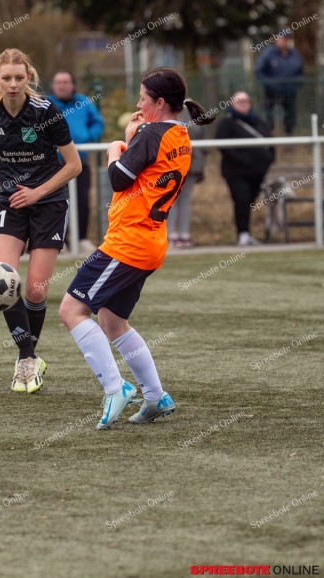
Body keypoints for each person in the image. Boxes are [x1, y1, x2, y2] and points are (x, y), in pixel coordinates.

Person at [58, 67, 215, 429]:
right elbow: (143, 169)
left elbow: (118, 178)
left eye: (143, 98)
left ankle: (115, 387)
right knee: (112, 320)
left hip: (127, 242)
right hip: (149, 241)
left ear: (159, 103)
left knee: (71, 310)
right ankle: (156, 396)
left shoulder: (152, 132)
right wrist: (136, 134)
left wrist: (118, 145)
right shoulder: (179, 133)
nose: (139, 104)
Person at [0, 48, 82, 394]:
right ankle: (27, 359)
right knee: (4, 277)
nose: (13, 84)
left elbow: (74, 165)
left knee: (34, 289)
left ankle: (28, 357)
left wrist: (36, 192)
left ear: (28, 77)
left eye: (19, 77)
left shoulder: (47, 112)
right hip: (9, 203)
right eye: (6, 78)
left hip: (49, 203)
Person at [46, 71, 105, 253]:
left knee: (82, 199)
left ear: (72, 85)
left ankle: (81, 238)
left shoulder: (84, 102)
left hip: (80, 159)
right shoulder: (44, 103)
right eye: (58, 82)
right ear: (53, 85)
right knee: (53, 201)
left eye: (65, 82)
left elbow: (98, 123)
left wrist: (89, 136)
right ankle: (58, 239)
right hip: (52, 162)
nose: (62, 86)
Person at [215, 91, 275, 245]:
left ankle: (247, 233)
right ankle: (242, 234)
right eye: (239, 102)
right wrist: (243, 161)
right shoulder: (226, 123)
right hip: (236, 172)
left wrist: (268, 159)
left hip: (257, 172)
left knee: (250, 202)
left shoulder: (259, 122)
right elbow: (224, 148)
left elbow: (270, 142)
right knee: (242, 200)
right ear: (231, 104)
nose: (243, 104)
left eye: (246, 101)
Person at [167, 106, 207, 248]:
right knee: (171, 199)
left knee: (184, 199)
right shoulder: (167, 107)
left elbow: (201, 136)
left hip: (192, 163)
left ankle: (184, 234)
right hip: (172, 164)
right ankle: (171, 234)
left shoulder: (192, 110)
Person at [255, 31, 304, 136]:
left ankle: (288, 137)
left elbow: (300, 73)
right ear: (276, 38)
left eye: (286, 39)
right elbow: (259, 72)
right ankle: (269, 137)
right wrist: (271, 84)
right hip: (271, 92)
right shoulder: (267, 53)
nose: (284, 41)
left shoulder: (294, 54)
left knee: (290, 116)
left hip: (289, 92)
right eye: (281, 38)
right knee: (269, 115)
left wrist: (295, 85)